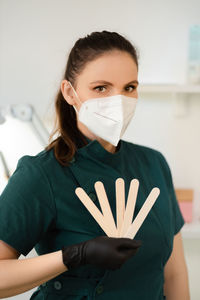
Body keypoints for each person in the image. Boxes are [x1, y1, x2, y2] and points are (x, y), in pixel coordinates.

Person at [0, 30, 190, 300]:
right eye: (101, 88)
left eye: (129, 88)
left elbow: (174, 274)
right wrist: (75, 255)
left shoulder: (154, 164)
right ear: (70, 92)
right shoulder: (43, 174)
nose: (118, 101)